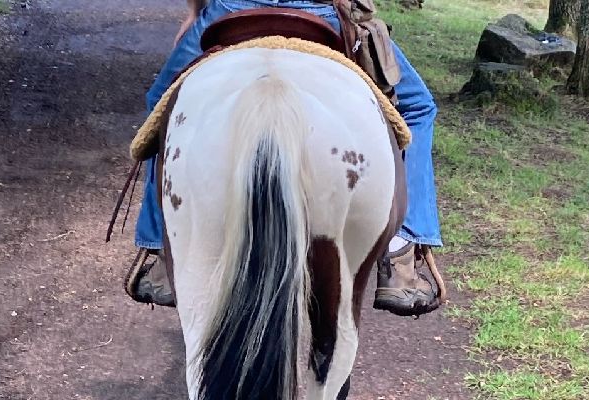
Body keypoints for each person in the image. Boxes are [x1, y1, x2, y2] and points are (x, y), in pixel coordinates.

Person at [124, 0, 447, 316]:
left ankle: (165, 251)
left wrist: (194, 13)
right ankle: (400, 250)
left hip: (231, 9)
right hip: (322, 11)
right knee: (416, 108)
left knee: (162, 103)